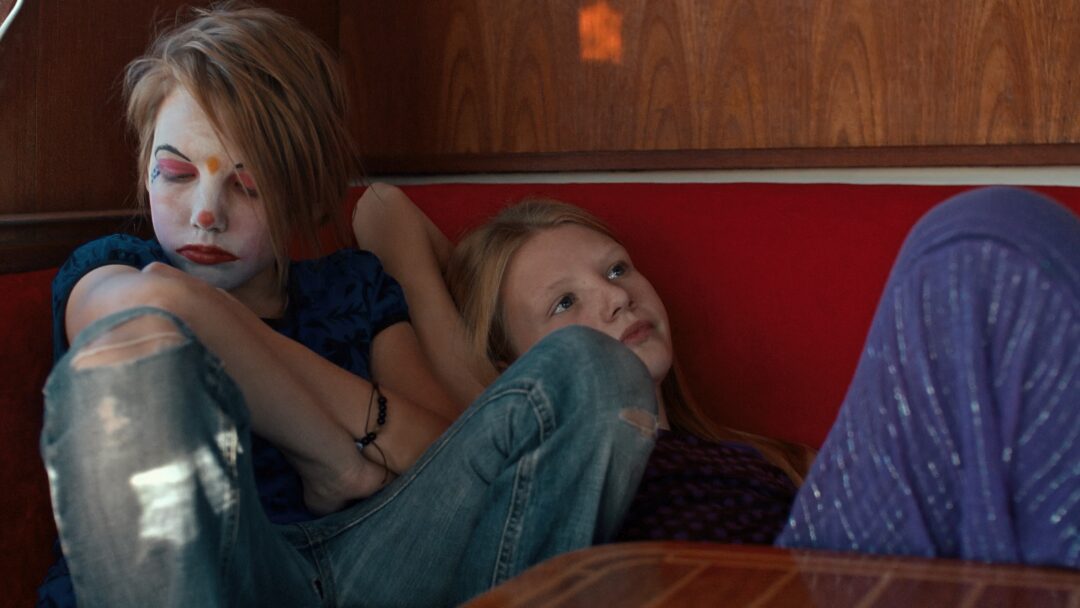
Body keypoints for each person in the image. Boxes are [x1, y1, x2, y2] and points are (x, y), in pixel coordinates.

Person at [39, 6, 658, 607]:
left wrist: (220, 329)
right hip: (223, 572)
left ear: (306, 196)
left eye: (248, 185)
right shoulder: (111, 266)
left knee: (596, 366)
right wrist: (331, 454)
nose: (206, 213)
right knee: (134, 364)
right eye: (176, 173)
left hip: (380, 556)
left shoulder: (351, 288)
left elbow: (442, 455)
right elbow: (154, 299)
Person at [353, 183, 1080, 567]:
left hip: (815, 572)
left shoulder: (756, 459)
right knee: (973, 245)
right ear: (512, 374)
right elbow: (385, 211)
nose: (614, 297)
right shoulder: (530, 484)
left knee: (992, 236)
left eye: (616, 269)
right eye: (564, 303)